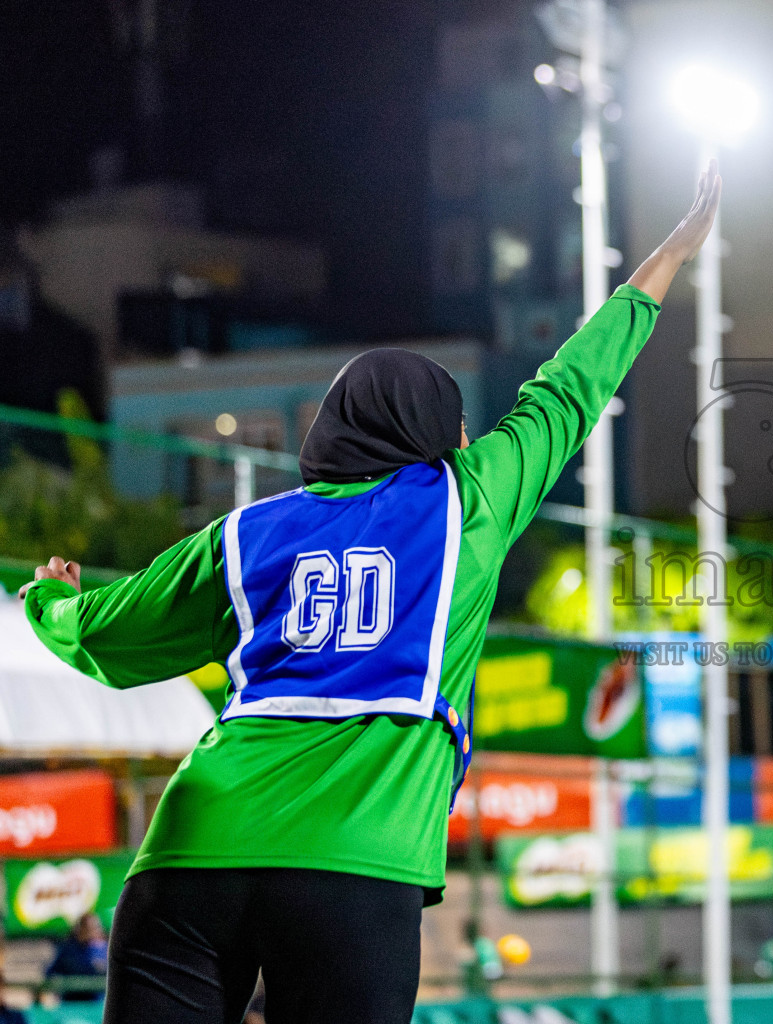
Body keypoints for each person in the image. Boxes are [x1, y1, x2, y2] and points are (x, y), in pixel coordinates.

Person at [19, 162, 722, 1024]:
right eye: (455, 421)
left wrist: (50, 605)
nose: (466, 436)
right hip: (354, 869)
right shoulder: (467, 497)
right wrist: (676, 248)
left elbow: (110, 638)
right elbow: (574, 383)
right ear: (426, 431)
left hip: (191, 851)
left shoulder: (247, 532)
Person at [44, 912, 107, 1002]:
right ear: (79, 929)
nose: (92, 932)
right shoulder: (68, 950)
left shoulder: (105, 950)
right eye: (88, 928)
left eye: (95, 928)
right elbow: (50, 973)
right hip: (72, 1003)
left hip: (97, 1004)